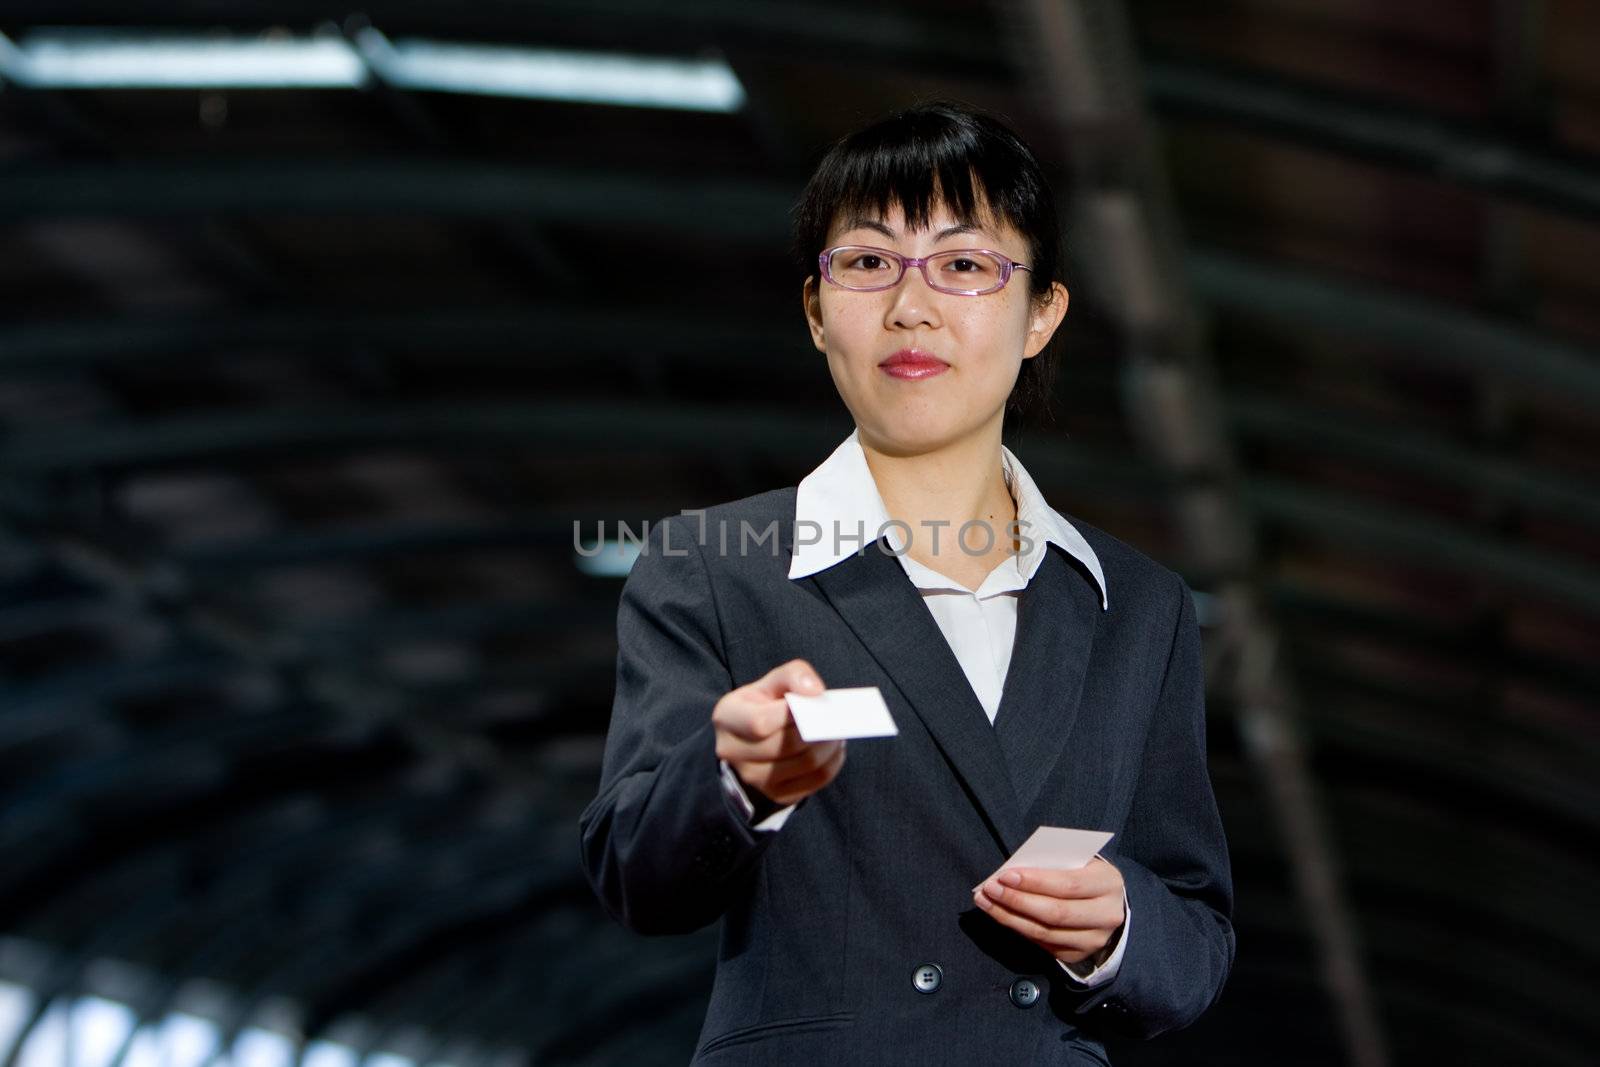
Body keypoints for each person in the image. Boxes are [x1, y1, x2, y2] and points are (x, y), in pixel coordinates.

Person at [578, 100, 1234, 1065]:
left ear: (1042, 313)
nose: (910, 306)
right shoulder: (717, 565)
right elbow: (635, 872)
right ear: (815, 310)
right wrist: (732, 781)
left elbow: (1196, 932)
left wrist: (1119, 923)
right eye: (869, 262)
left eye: (965, 265)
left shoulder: (1135, 607)